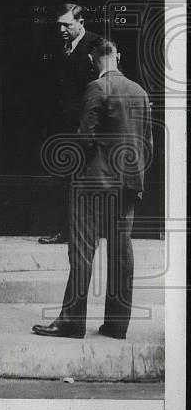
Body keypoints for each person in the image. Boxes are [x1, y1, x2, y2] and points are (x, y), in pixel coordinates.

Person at [32, 38, 152, 339]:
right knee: (121, 253)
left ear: (91, 59)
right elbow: (148, 143)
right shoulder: (139, 91)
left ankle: (72, 322)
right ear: (118, 57)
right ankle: (116, 324)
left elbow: (84, 138)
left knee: (83, 251)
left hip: (94, 183)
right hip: (128, 183)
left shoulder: (96, 88)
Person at [40, 3, 102, 244]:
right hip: (61, 127)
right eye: (59, 25)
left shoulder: (97, 45)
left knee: (87, 180)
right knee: (63, 179)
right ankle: (64, 231)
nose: (62, 30)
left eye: (67, 24)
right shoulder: (57, 47)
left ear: (81, 22)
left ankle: (88, 234)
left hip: (87, 126)